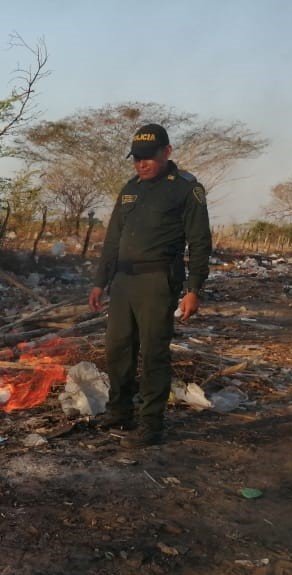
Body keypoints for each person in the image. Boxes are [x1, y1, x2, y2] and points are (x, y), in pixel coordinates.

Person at [87, 123, 212, 448]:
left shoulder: (185, 189)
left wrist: (194, 288)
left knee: (154, 353)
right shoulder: (130, 189)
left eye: (149, 158)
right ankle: (119, 412)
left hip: (158, 281)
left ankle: (151, 425)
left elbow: (199, 242)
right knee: (118, 350)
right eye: (137, 158)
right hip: (124, 282)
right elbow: (113, 239)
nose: (142, 164)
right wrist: (101, 281)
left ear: (167, 152)